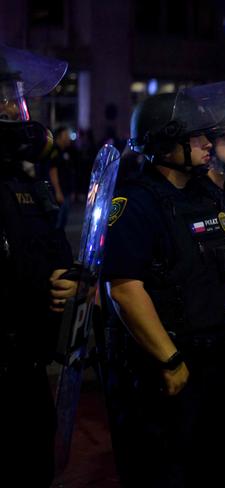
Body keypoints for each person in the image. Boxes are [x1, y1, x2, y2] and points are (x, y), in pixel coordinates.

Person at [101, 80, 225, 487]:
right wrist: (170, 361)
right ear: (166, 144)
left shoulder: (209, 193)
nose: (209, 143)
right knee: (165, 470)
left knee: (213, 467)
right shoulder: (136, 203)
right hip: (164, 368)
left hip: (215, 360)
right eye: (198, 136)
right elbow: (124, 288)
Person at [0, 43, 77, 487]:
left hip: (28, 366)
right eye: (5, 96)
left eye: (16, 95)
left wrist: (69, 282)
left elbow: (51, 249)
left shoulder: (22, 178)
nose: (15, 107)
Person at [47, 125, 77, 229]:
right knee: (57, 222)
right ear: (59, 137)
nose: (68, 137)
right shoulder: (55, 151)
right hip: (60, 192)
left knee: (63, 221)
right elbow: (53, 171)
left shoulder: (66, 151)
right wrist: (58, 191)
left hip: (66, 191)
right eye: (66, 135)